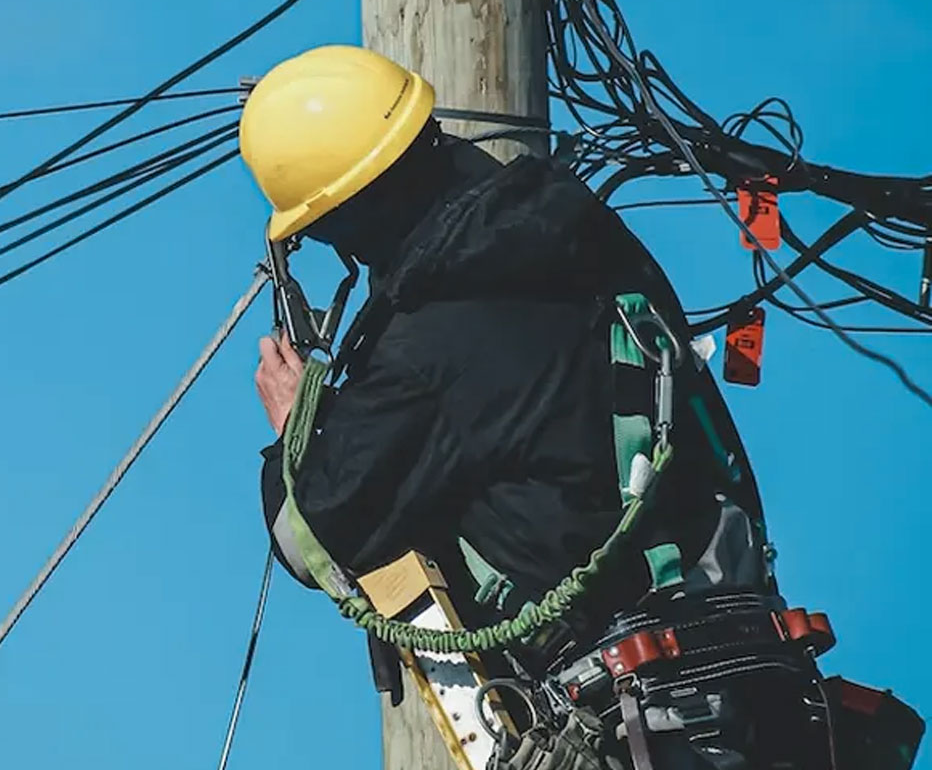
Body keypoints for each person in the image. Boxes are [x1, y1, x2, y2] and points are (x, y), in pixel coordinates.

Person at [240, 44, 836, 770]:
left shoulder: (430, 341)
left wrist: (295, 426)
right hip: (764, 691)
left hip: (637, 718)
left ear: (347, 218)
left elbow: (316, 535)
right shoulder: (584, 236)